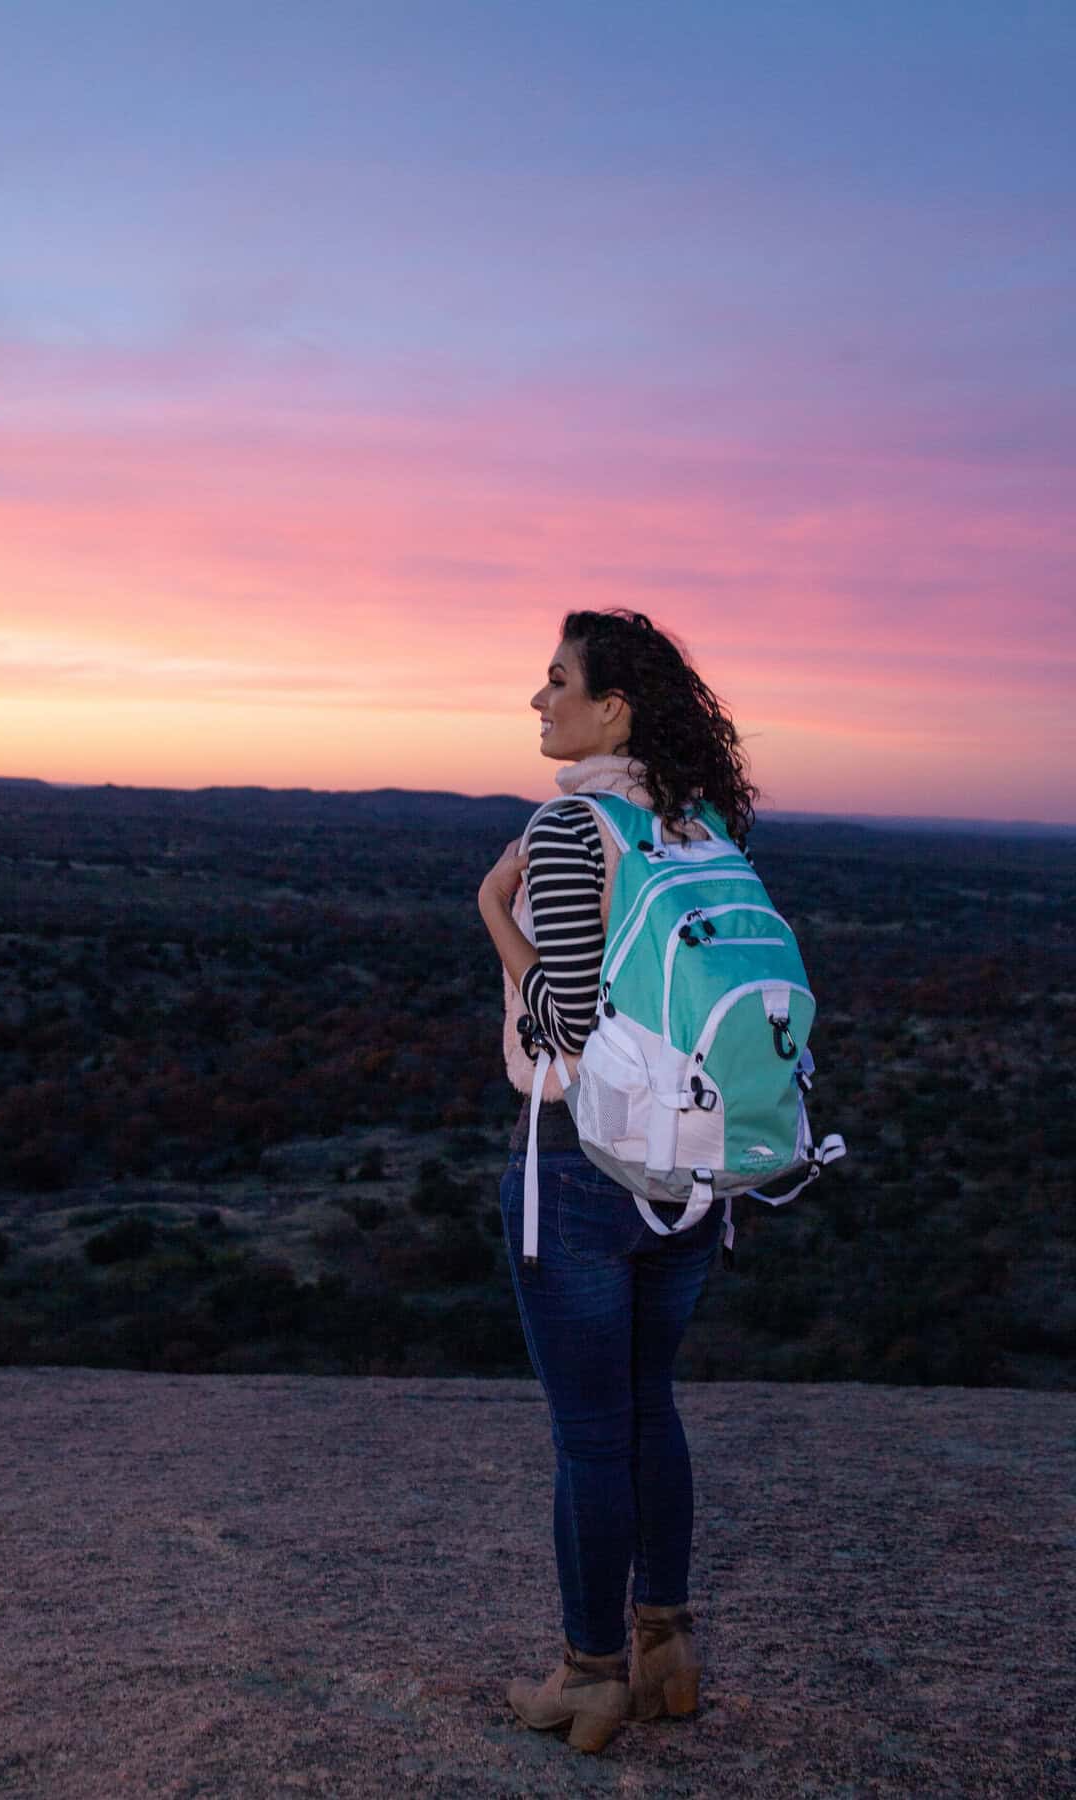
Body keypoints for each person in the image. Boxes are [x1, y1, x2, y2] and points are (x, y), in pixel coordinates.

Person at [477, 608, 758, 1755]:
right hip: (692, 1172)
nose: (536, 703)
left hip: (581, 1159)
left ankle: (590, 1676)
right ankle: (667, 1649)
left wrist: (493, 910)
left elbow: (568, 1023)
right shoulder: (696, 825)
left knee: (590, 1435)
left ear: (612, 710)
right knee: (650, 1409)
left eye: (556, 683)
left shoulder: (569, 824)